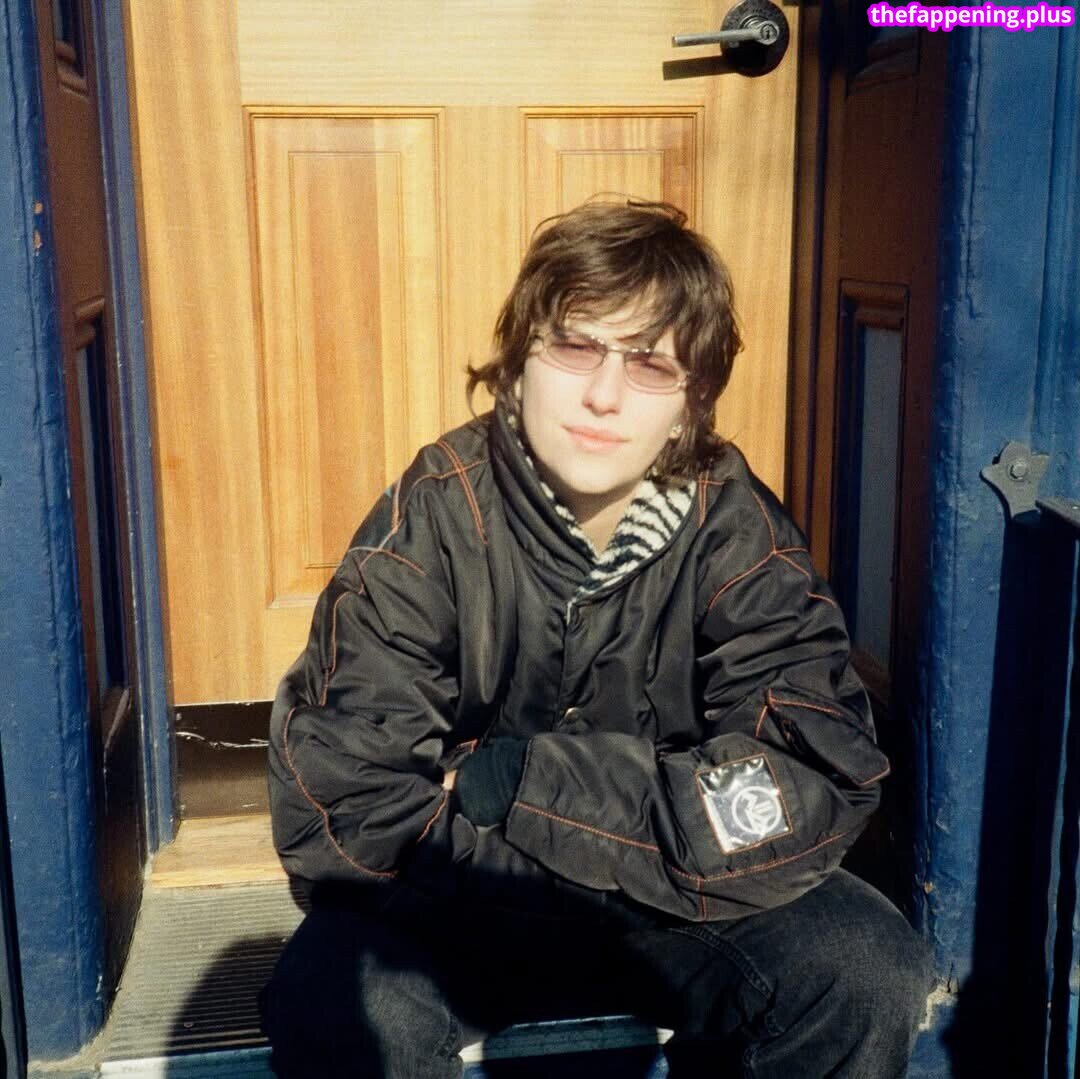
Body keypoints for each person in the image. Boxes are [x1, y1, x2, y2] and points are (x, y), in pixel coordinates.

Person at [260, 199, 933, 1077]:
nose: (605, 395)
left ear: (690, 404)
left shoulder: (736, 530)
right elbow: (341, 800)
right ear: (518, 365)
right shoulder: (434, 518)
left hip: (673, 904)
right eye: (576, 347)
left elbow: (809, 773)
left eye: (651, 364)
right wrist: (621, 831)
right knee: (333, 1000)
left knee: (865, 968)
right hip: (469, 902)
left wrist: (518, 782)